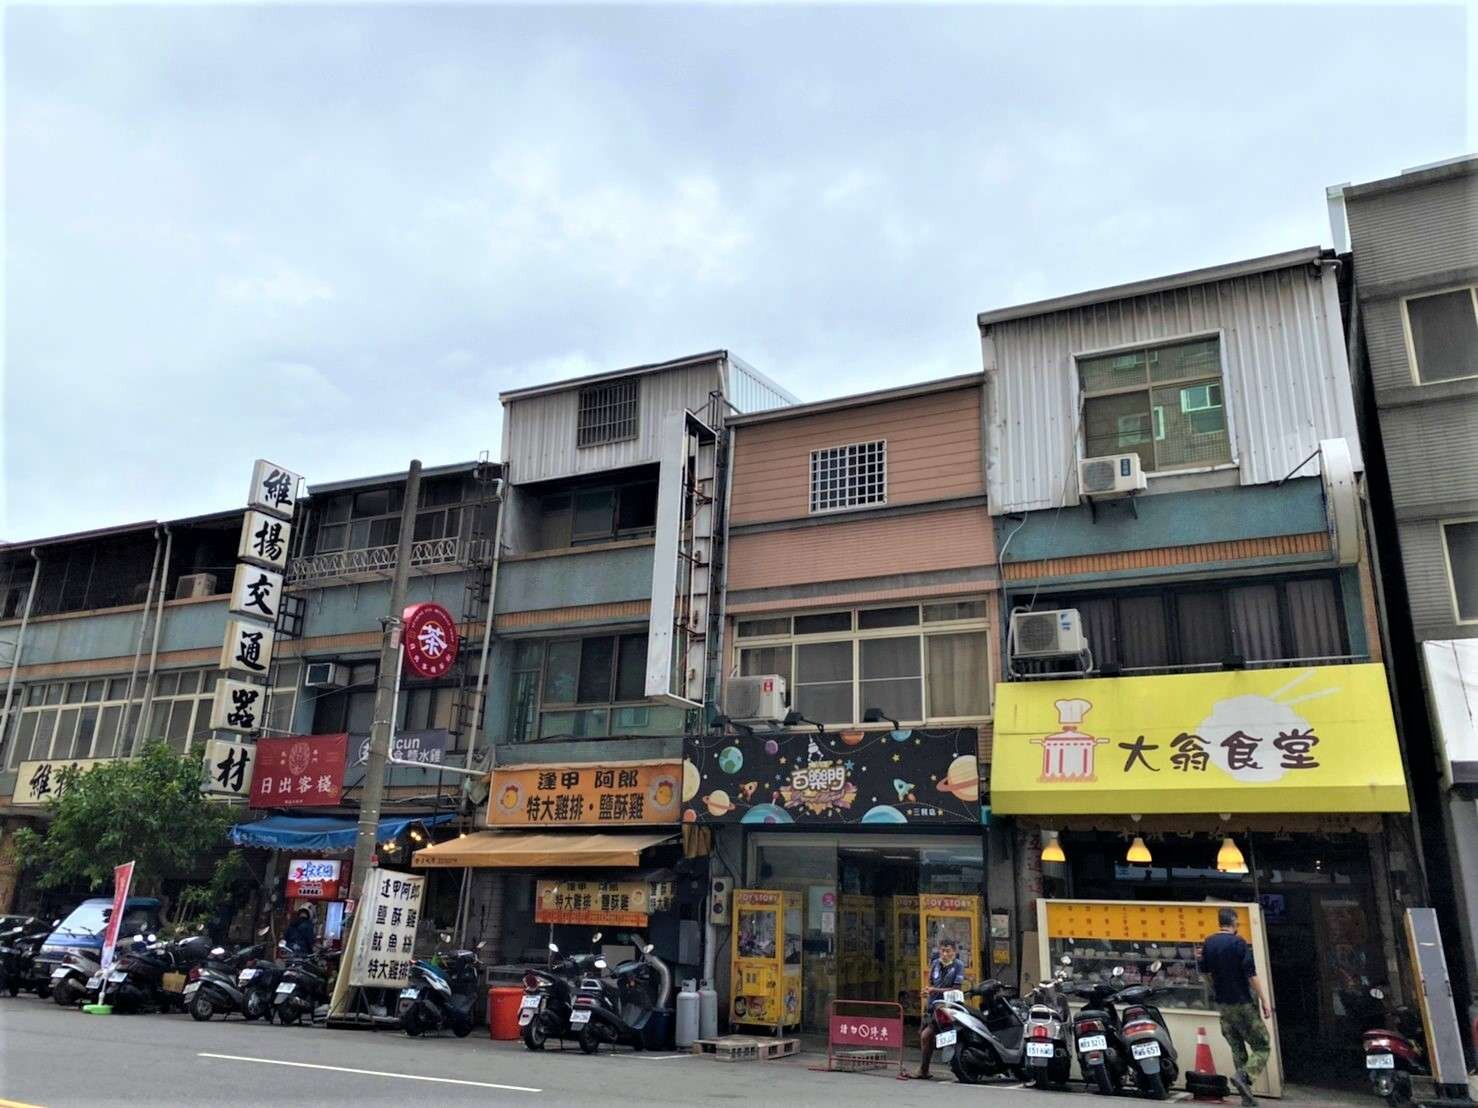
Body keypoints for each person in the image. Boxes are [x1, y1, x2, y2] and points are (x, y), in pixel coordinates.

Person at [1199, 907, 1272, 1106]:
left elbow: (1205, 974)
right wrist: (1265, 1001)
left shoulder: (1209, 943)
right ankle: (1244, 1076)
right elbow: (1251, 975)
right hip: (1242, 1003)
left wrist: (1215, 991)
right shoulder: (1239, 943)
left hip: (1223, 1006)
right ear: (1233, 922)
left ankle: (1246, 1097)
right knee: (1262, 1045)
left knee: (1237, 1048)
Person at [913, 938, 965, 1080]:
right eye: (942, 951)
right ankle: (924, 1070)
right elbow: (930, 984)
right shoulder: (935, 964)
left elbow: (956, 988)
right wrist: (926, 993)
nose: (945, 954)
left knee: (927, 1036)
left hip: (948, 1008)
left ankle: (924, 1069)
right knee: (925, 1037)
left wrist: (934, 990)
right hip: (933, 1007)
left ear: (954, 951)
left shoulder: (958, 965)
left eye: (948, 951)